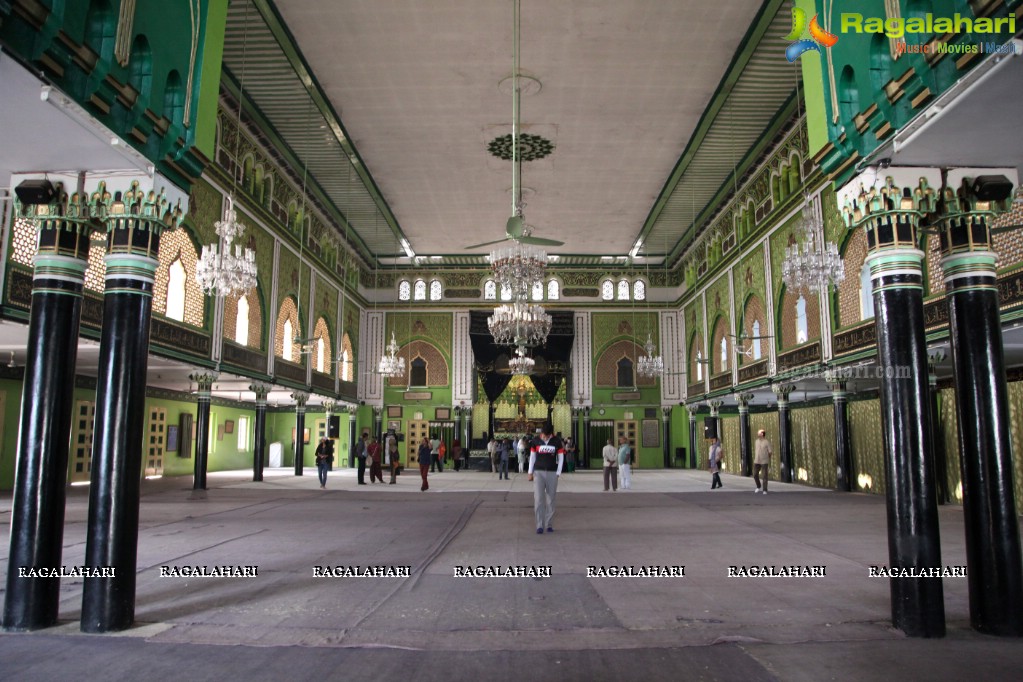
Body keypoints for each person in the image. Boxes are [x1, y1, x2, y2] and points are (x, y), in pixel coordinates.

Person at [528, 422, 564, 534]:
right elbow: (532, 457)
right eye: (543, 435)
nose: (545, 437)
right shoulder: (535, 441)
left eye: (547, 436)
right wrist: (530, 472)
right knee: (538, 499)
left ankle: (549, 524)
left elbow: (561, 458)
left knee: (551, 499)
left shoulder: (557, 441)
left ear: (551, 435)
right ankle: (539, 525)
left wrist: (558, 472)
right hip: (538, 472)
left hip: (552, 473)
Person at [754, 429, 772, 494]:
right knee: (755, 474)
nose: (758, 434)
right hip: (757, 460)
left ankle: (765, 489)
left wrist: (768, 458)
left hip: (764, 460)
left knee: (764, 475)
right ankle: (758, 486)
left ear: (762, 434)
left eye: (759, 433)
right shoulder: (756, 441)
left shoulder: (766, 442)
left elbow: (770, 452)